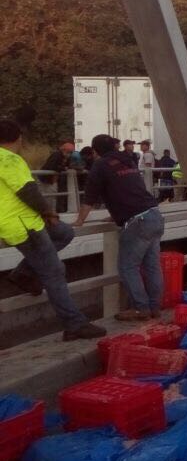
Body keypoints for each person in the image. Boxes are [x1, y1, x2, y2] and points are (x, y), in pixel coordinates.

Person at [0, 121, 106, 340]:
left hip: (19, 222)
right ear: (18, 137)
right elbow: (27, 190)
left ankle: (23, 273)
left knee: (64, 233)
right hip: (25, 225)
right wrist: (48, 211)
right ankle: (74, 324)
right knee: (54, 273)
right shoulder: (9, 159)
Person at [74, 134, 166, 321]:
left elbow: (89, 197)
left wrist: (79, 222)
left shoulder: (100, 165)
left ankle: (141, 308)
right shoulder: (128, 161)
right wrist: (116, 214)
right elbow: (128, 190)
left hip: (137, 221)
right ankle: (155, 307)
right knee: (152, 267)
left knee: (127, 267)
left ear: (95, 151)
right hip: (154, 214)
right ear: (115, 147)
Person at [41, 140, 76, 213]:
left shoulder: (65, 157)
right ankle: (50, 215)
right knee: (50, 199)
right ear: (64, 150)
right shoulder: (57, 155)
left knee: (52, 198)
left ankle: (52, 214)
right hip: (48, 181)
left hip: (53, 180)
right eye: (70, 152)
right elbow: (52, 166)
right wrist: (64, 168)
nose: (70, 154)